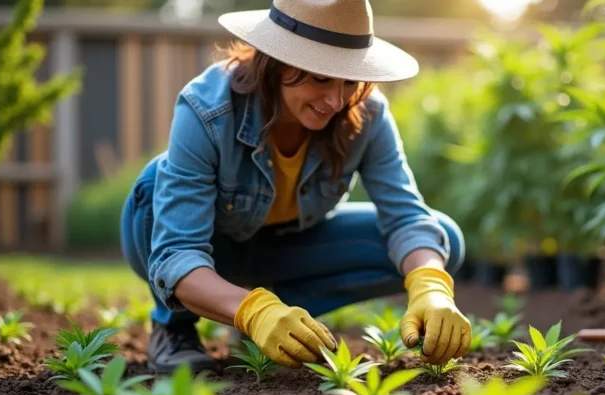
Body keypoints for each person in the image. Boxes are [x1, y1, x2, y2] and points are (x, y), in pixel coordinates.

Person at [119, 0, 472, 374]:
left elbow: (406, 218)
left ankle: (283, 322)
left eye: (350, 79)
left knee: (442, 238)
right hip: (211, 247)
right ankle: (174, 328)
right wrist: (254, 312)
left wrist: (430, 286)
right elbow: (177, 253)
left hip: (283, 250)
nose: (336, 100)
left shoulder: (367, 114)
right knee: (157, 182)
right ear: (275, 61)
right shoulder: (207, 109)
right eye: (321, 77)